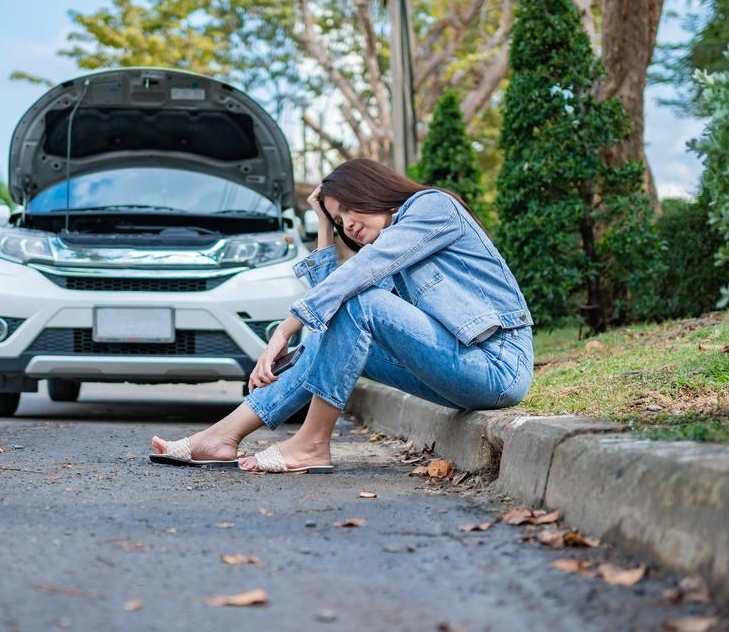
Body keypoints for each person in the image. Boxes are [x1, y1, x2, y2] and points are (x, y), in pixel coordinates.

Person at [149, 158, 534, 473]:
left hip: (496, 366)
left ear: (370, 188)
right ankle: (222, 437)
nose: (346, 224)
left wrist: (285, 329)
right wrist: (321, 222)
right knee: (337, 322)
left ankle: (313, 443)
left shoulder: (432, 207)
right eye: (338, 220)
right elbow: (334, 302)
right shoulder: (391, 246)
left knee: (356, 302)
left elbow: (359, 277)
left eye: (347, 209)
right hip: (455, 371)